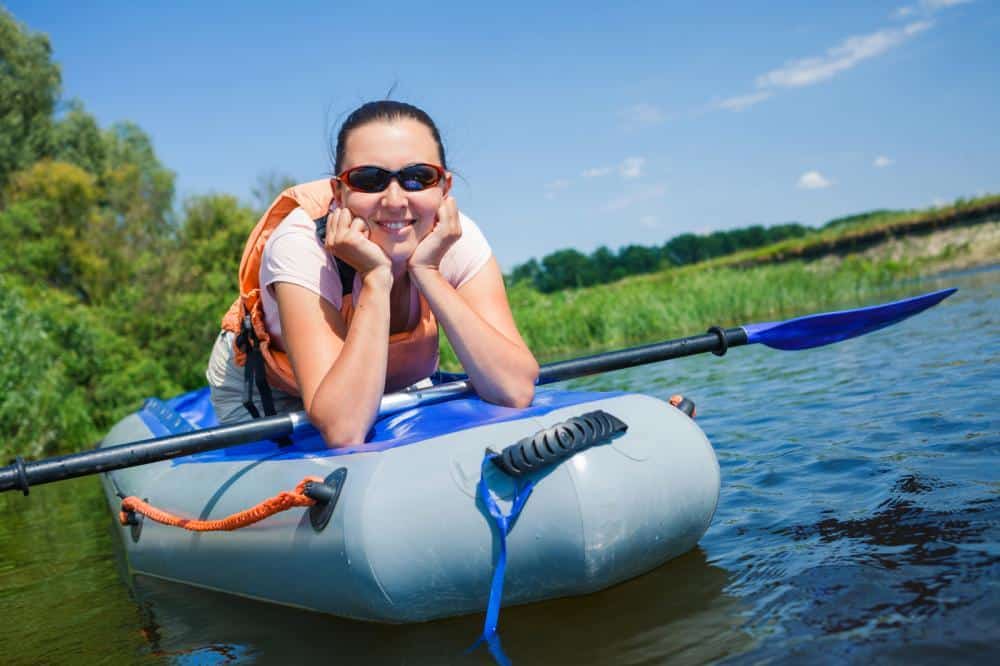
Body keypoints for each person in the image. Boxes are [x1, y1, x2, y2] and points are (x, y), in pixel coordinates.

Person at [207, 101, 539, 446]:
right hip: (267, 391)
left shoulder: (457, 238)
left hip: (388, 379)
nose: (395, 200)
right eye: (369, 180)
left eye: (418, 177)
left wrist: (426, 271)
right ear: (339, 193)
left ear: (444, 187)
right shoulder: (301, 246)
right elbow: (344, 429)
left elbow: (514, 389)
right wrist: (376, 278)